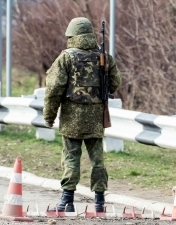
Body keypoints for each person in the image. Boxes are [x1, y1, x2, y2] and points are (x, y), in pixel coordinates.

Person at [43, 17, 122, 213]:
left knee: (71, 157)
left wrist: (49, 116)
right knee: (98, 160)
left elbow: (54, 89)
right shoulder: (104, 57)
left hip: (72, 118)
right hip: (96, 117)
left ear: (71, 35)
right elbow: (115, 83)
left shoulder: (66, 58)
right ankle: (100, 202)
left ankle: (66, 201)